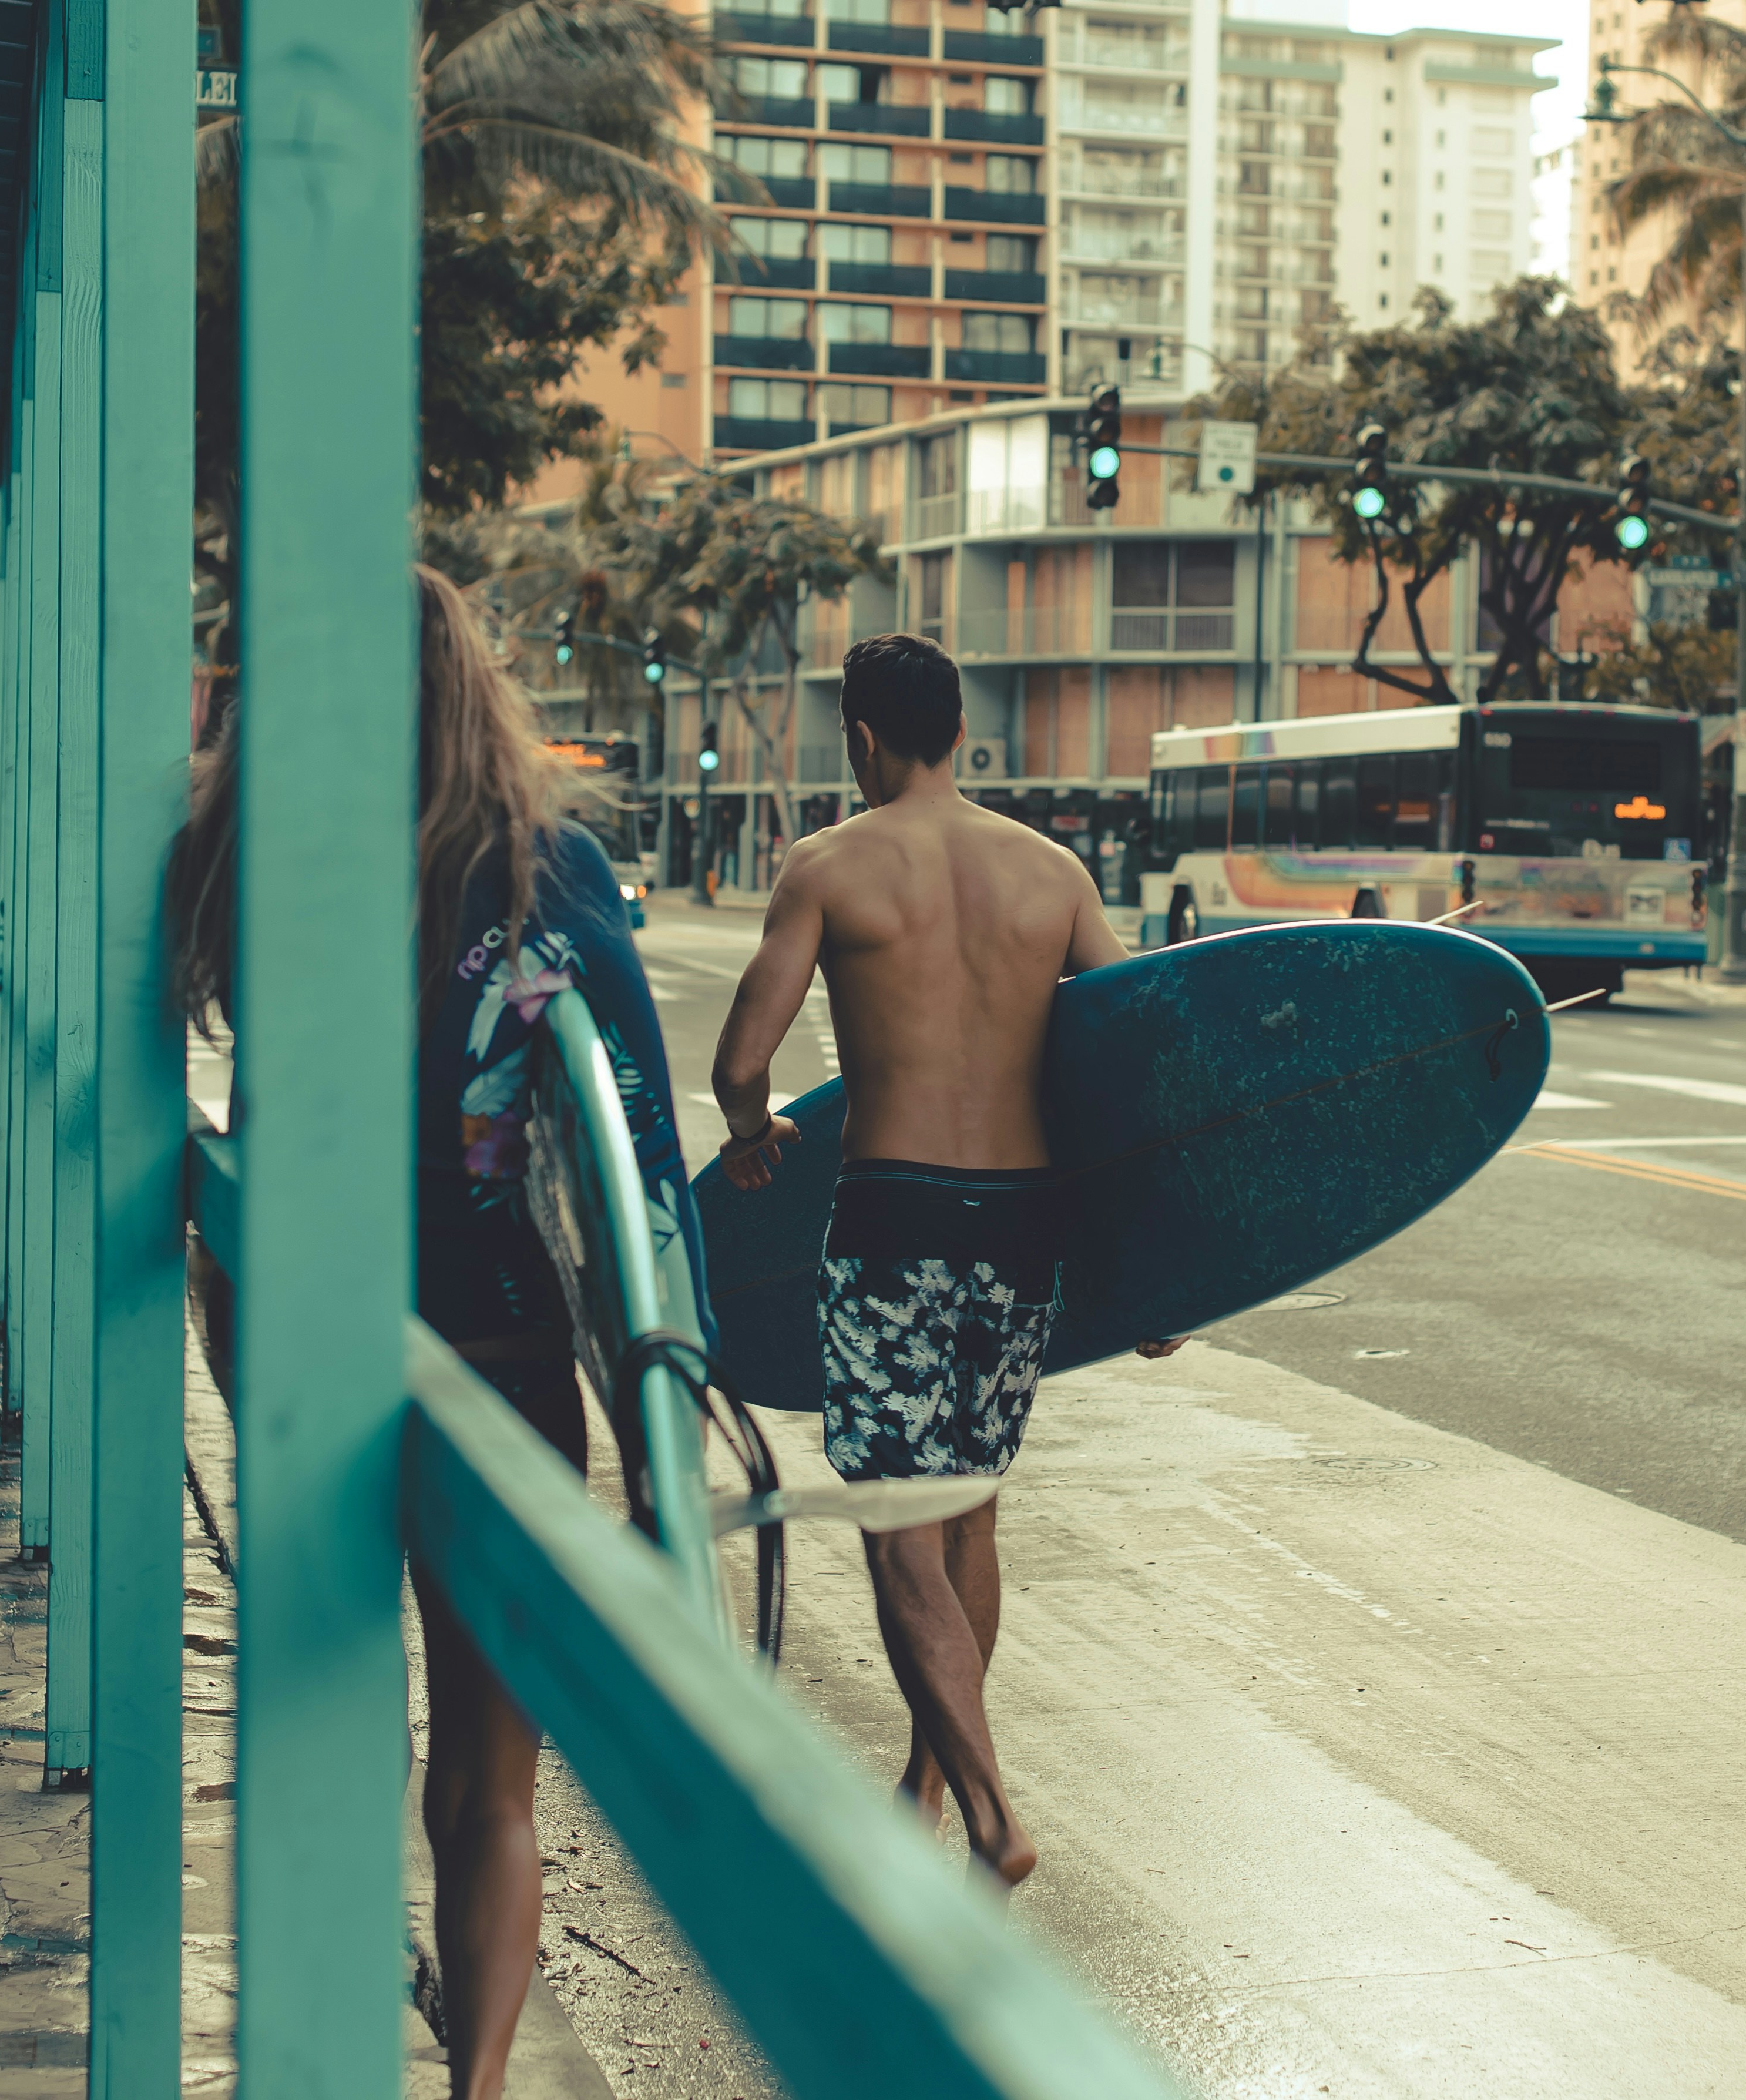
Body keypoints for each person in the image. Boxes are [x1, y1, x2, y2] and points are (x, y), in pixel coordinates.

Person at [170, 566, 711, 2100]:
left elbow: (170, 1072)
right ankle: (471, 2084)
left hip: (301, 1364)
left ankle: (334, 2041)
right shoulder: (546, 872)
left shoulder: (244, 853)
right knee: (490, 1782)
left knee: (342, 1734)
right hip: (501, 1356)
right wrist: (676, 1388)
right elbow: (636, 1158)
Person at [710, 633, 1177, 1887]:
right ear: (962, 731)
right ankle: (925, 1783)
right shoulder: (1055, 872)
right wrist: (1152, 1268)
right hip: (1023, 1227)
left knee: (891, 1518)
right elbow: (1130, 1069)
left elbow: (741, 1062)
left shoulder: (830, 866)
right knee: (967, 1500)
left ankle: (989, 1809)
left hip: (895, 1219)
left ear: (863, 736)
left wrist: (755, 1141)